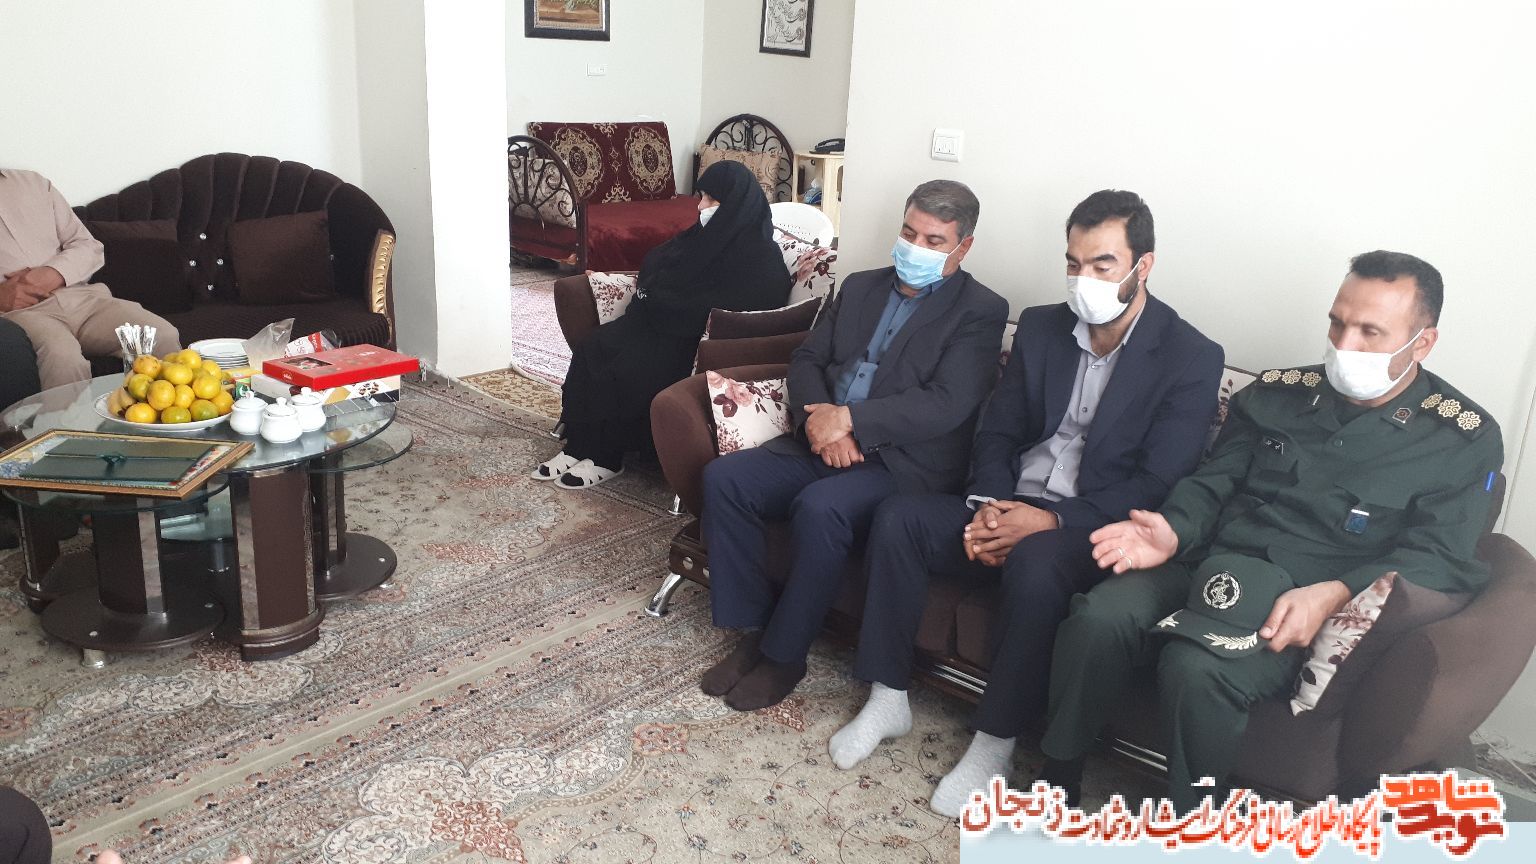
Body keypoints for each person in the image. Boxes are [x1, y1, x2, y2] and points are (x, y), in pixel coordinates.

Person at [1034, 250, 1502, 812]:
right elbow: (1215, 481)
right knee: (1098, 618)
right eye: (1337, 323)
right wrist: (1175, 531)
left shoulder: (1459, 438)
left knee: (1197, 668)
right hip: (1208, 561)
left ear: (1422, 343)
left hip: (1300, 598)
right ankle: (1058, 776)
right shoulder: (1279, 394)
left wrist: (1335, 595)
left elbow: (1440, 556)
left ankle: (1198, 818)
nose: (1344, 344)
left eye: (1370, 331)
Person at [826, 190, 1225, 816]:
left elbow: (1159, 480)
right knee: (901, 518)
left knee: (1037, 564)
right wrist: (991, 503)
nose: (1083, 279)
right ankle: (887, 696)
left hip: (1086, 523)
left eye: (1102, 265)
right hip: (1008, 498)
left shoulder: (1190, 356)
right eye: (1073, 263)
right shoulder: (1042, 327)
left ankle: (994, 743)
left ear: (1142, 266)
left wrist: (1050, 519)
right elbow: (999, 430)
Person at [700, 180, 1009, 712]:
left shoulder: (980, 310)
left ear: (964, 247)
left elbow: (946, 403)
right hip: (821, 438)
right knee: (726, 479)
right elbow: (808, 359)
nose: (915, 247)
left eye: (934, 241)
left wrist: (851, 422)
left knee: (821, 508)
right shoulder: (862, 286)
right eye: (909, 233)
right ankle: (753, 628)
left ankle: (784, 655)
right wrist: (819, 420)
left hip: (898, 462)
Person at [532, 160, 791, 489]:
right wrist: (657, 298)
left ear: (736, 205)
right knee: (594, 347)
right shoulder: (702, 237)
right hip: (657, 323)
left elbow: (742, 305)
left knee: (629, 367)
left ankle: (607, 456)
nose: (701, 207)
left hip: (694, 342)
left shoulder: (760, 258)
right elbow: (660, 261)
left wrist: (663, 302)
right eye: (701, 197)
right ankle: (579, 444)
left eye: (711, 200)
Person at [0, 168, 182, 389]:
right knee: (63, 358)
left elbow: (87, 245)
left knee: (159, 335)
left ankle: (140, 409)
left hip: (84, 301)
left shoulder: (33, 183)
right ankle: (68, 415)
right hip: (22, 313)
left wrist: (54, 273)